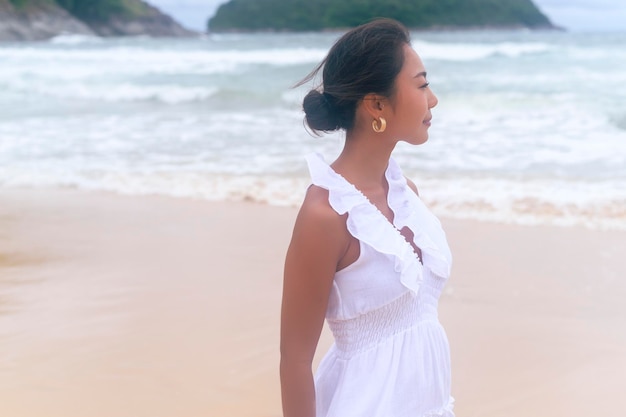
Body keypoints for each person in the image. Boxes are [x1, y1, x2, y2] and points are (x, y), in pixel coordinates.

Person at [280, 18, 455, 417]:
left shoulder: (406, 194)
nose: (433, 100)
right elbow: (293, 360)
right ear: (376, 104)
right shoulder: (325, 216)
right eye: (423, 84)